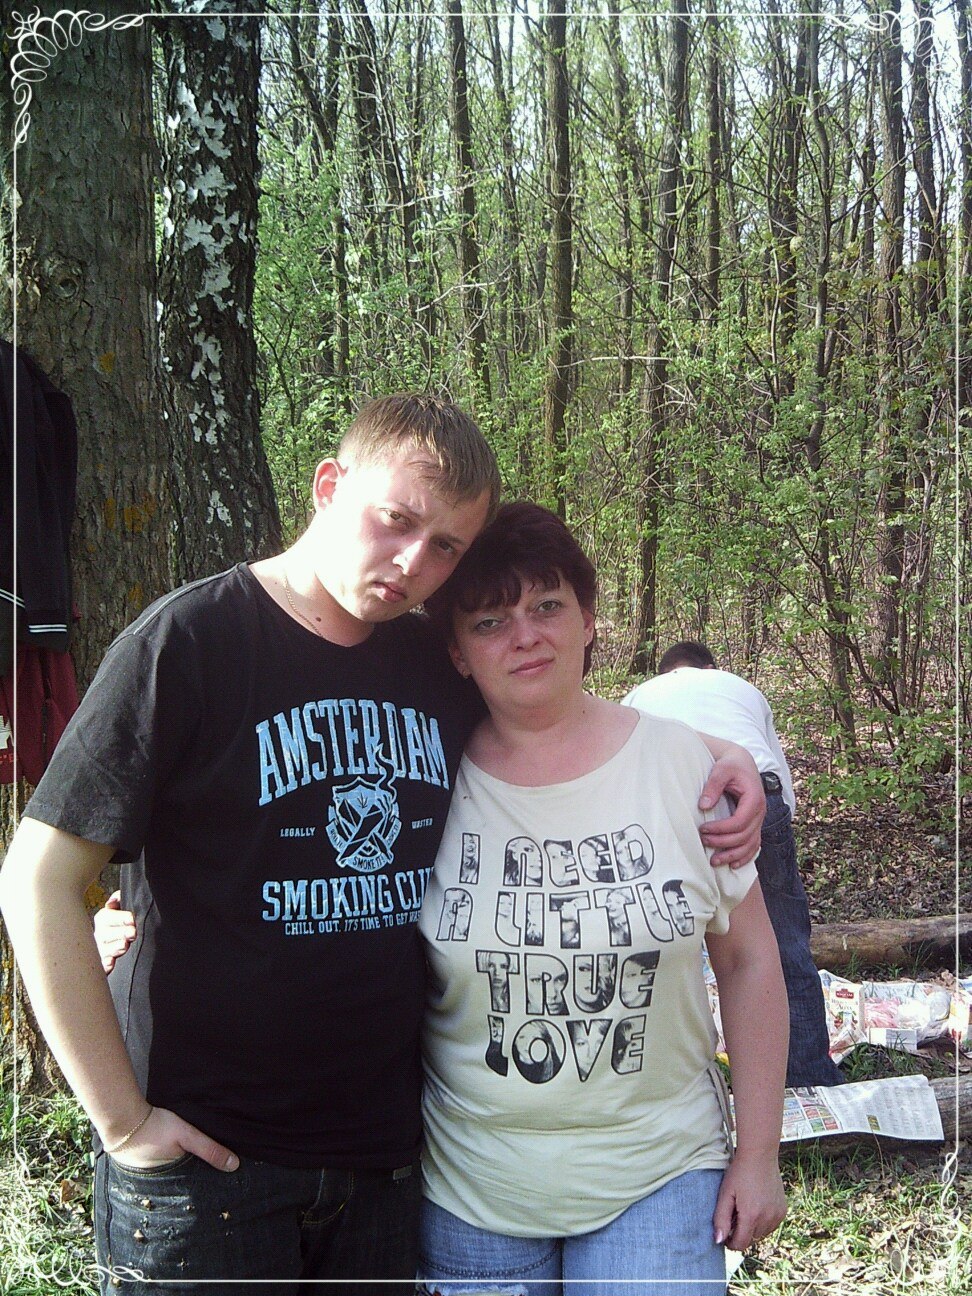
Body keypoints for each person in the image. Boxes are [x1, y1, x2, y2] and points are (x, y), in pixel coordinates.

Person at [0, 396, 766, 1296]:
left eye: (445, 547)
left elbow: (555, 718)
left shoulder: (426, 662)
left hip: (386, 1163)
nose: (412, 564)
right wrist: (124, 1123)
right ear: (329, 485)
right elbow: (37, 881)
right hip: (209, 1162)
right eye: (395, 521)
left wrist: (719, 753)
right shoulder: (188, 643)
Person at [412, 504, 787, 1295]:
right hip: (474, 1187)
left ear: (589, 619)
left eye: (547, 605)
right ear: (456, 652)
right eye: (490, 621)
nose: (525, 635)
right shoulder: (423, 779)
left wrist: (759, 1154)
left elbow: (750, 960)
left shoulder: (683, 767)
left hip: (660, 1171)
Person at [623, 641, 843, 1089]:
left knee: (665, 941)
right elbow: (777, 778)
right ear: (709, 667)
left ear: (665, 672)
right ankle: (807, 1078)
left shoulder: (639, 694)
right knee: (782, 943)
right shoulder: (739, 686)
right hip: (750, 794)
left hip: (669, 801)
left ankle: (673, 1072)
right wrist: (773, 832)